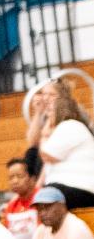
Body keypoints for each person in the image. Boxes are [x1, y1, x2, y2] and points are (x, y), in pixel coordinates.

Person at [23, 80, 94, 210]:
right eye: (44, 94)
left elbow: (48, 154)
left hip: (74, 172)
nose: (46, 98)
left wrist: (46, 133)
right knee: (31, 153)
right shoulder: (48, 114)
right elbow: (33, 141)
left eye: (51, 95)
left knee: (50, 193)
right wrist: (38, 113)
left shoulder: (71, 117)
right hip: (54, 163)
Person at [1, 156, 40, 239]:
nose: (14, 181)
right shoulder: (11, 206)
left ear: (33, 179)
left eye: (19, 176)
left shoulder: (42, 201)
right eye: (11, 178)